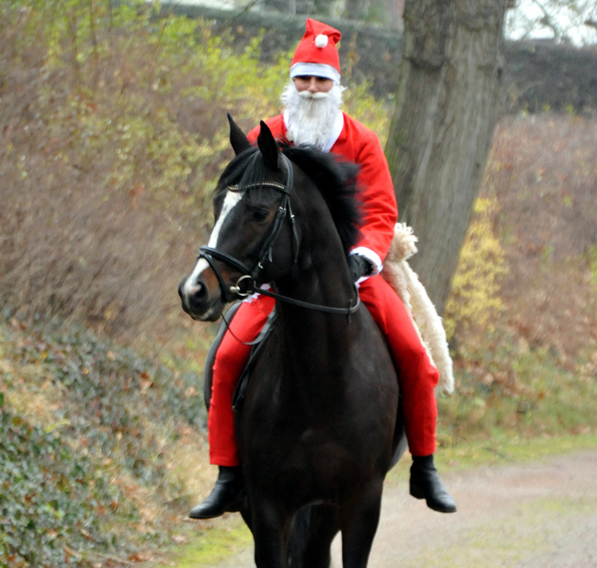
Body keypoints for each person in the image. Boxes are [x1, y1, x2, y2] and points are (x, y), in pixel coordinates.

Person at [189, 18, 456, 520]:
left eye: (321, 81)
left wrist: (366, 256)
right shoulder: (263, 139)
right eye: (303, 79)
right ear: (291, 83)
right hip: (273, 281)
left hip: (354, 276)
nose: (311, 89)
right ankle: (228, 475)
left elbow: (380, 213)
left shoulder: (363, 141)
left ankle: (425, 465)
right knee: (225, 359)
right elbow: (240, 210)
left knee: (416, 356)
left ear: (336, 88)